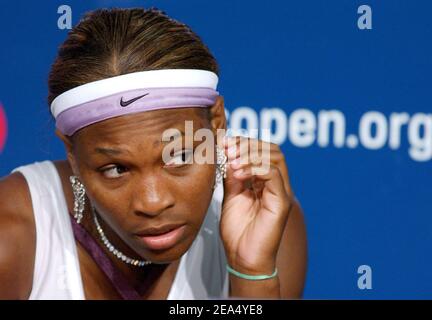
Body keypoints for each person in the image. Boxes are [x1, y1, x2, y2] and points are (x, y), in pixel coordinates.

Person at [0, 7, 307, 300]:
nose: (152, 202)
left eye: (180, 157)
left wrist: (250, 271)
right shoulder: (10, 236)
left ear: (216, 123)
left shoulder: (263, 220)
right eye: (116, 169)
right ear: (72, 153)